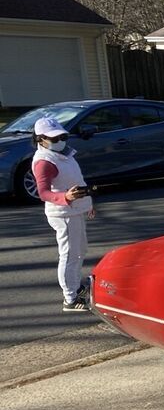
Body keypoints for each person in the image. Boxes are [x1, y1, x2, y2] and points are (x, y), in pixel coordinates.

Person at [32, 116, 95, 312]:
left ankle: (76, 287)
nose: (60, 141)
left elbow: (77, 180)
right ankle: (70, 298)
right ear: (40, 139)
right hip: (63, 214)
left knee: (80, 251)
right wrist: (65, 197)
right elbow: (43, 193)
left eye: (62, 136)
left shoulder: (65, 155)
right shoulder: (44, 162)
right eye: (55, 138)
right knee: (69, 255)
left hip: (75, 210)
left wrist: (88, 203)